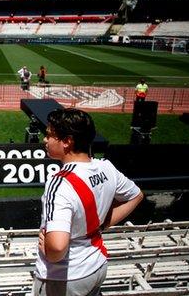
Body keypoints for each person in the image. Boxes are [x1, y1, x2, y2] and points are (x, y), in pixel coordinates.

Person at [34, 108, 144, 296]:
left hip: (63, 278)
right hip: (97, 266)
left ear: (67, 141)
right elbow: (137, 196)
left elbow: (58, 248)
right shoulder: (106, 167)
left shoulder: (59, 183)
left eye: (49, 135)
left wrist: (49, 250)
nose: (45, 140)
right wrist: (98, 226)